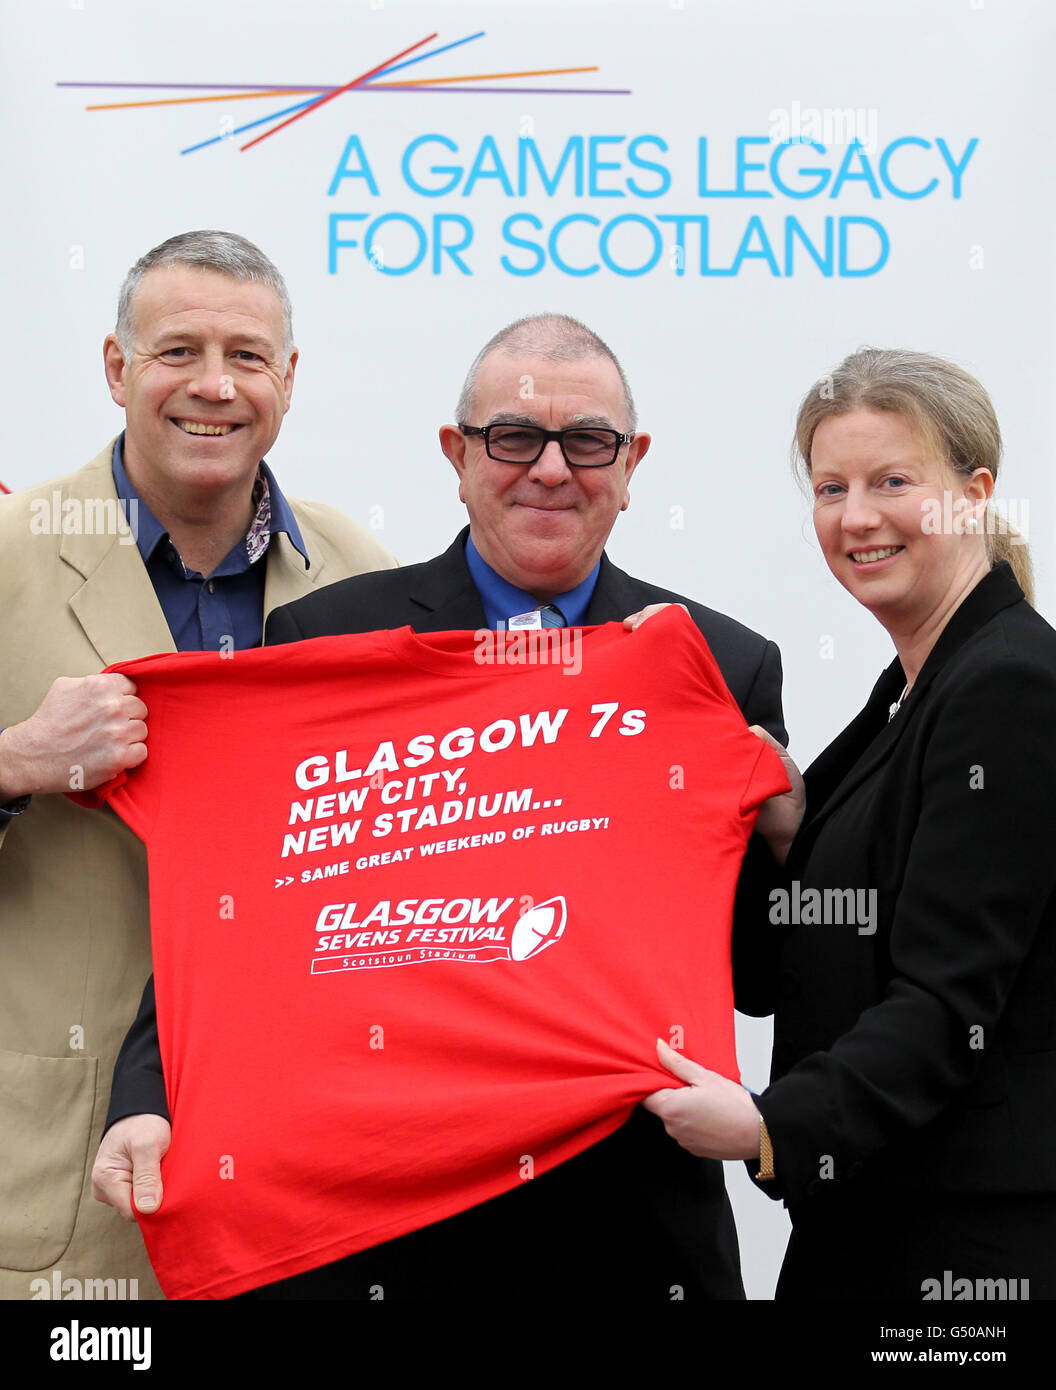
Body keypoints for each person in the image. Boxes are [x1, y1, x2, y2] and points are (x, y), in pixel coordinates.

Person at [95, 312, 787, 1300]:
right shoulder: (325, 641)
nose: (550, 469)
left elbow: (757, 973)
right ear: (457, 456)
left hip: (630, 1227)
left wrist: (785, 831)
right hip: (384, 1228)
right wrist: (147, 1096)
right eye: (513, 437)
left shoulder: (719, 665)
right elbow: (234, 906)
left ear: (631, 466)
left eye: (586, 441)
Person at [0, 230, 396, 1300]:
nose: (214, 387)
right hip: (58, 1166)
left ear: (290, 380)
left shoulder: (367, 579)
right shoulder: (8, 554)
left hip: (300, 1166)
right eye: (178, 351)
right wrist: (14, 762)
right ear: (117, 368)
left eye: (247, 356)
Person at [643, 347, 1056, 1299]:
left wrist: (767, 1127)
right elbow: (859, 930)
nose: (857, 516)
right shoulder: (913, 690)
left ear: (974, 493)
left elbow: (949, 1006)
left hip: (959, 1251)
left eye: (892, 481)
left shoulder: (1006, 687)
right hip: (876, 1225)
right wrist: (792, 830)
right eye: (831, 488)